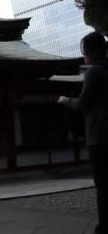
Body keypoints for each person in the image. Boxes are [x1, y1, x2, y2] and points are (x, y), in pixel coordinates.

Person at [58, 32, 108, 234]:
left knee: (104, 187)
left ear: (92, 52)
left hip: (99, 137)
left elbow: (83, 104)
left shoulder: (94, 72)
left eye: (85, 51)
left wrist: (66, 100)